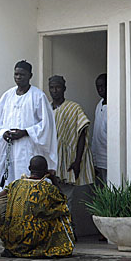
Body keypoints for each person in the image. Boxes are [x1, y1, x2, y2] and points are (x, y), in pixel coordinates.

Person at [0, 60, 57, 189]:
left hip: (28, 149)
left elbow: (47, 126)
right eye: (16, 74)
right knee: (8, 185)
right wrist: (4, 133)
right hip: (9, 149)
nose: (18, 77)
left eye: (22, 74)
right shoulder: (7, 96)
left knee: (27, 184)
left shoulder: (38, 96)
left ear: (30, 76)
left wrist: (26, 132)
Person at [0, 155, 75, 258]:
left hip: (12, 237)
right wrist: (53, 180)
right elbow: (63, 200)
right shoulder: (47, 188)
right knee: (61, 211)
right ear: (46, 170)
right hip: (34, 237)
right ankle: (56, 245)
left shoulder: (15, 184)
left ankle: (13, 248)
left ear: (29, 168)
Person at [48, 75, 94, 212]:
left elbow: (82, 134)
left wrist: (77, 161)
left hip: (68, 163)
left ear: (64, 88)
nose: (54, 90)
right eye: (51, 87)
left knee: (67, 202)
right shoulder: (46, 109)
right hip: (51, 163)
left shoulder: (74, 108)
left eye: (58, 87)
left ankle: (68, 232)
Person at [92, 73, 107, 185]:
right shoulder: (99, 105)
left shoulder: (114, 105)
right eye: (98, 87)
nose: (100, 89)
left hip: (109, 157)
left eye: (103, 86)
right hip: (98, 156)